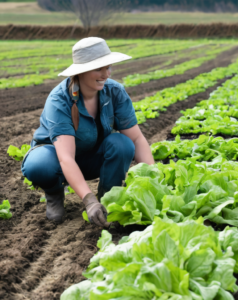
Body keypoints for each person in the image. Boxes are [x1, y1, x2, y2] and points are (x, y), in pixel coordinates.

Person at [21, 37, 154, 227]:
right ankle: (54, 193)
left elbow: (137, 139)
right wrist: (88, 200)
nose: (106, 74)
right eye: (98, 69)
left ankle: (108, 199)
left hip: (92, 158)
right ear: (81, 71)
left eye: (108, 67)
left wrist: (155, 178)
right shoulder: (60, 100)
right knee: (39, 164)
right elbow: (66, 158)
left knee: (123, 144)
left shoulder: (115, 92)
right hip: (58, 162)